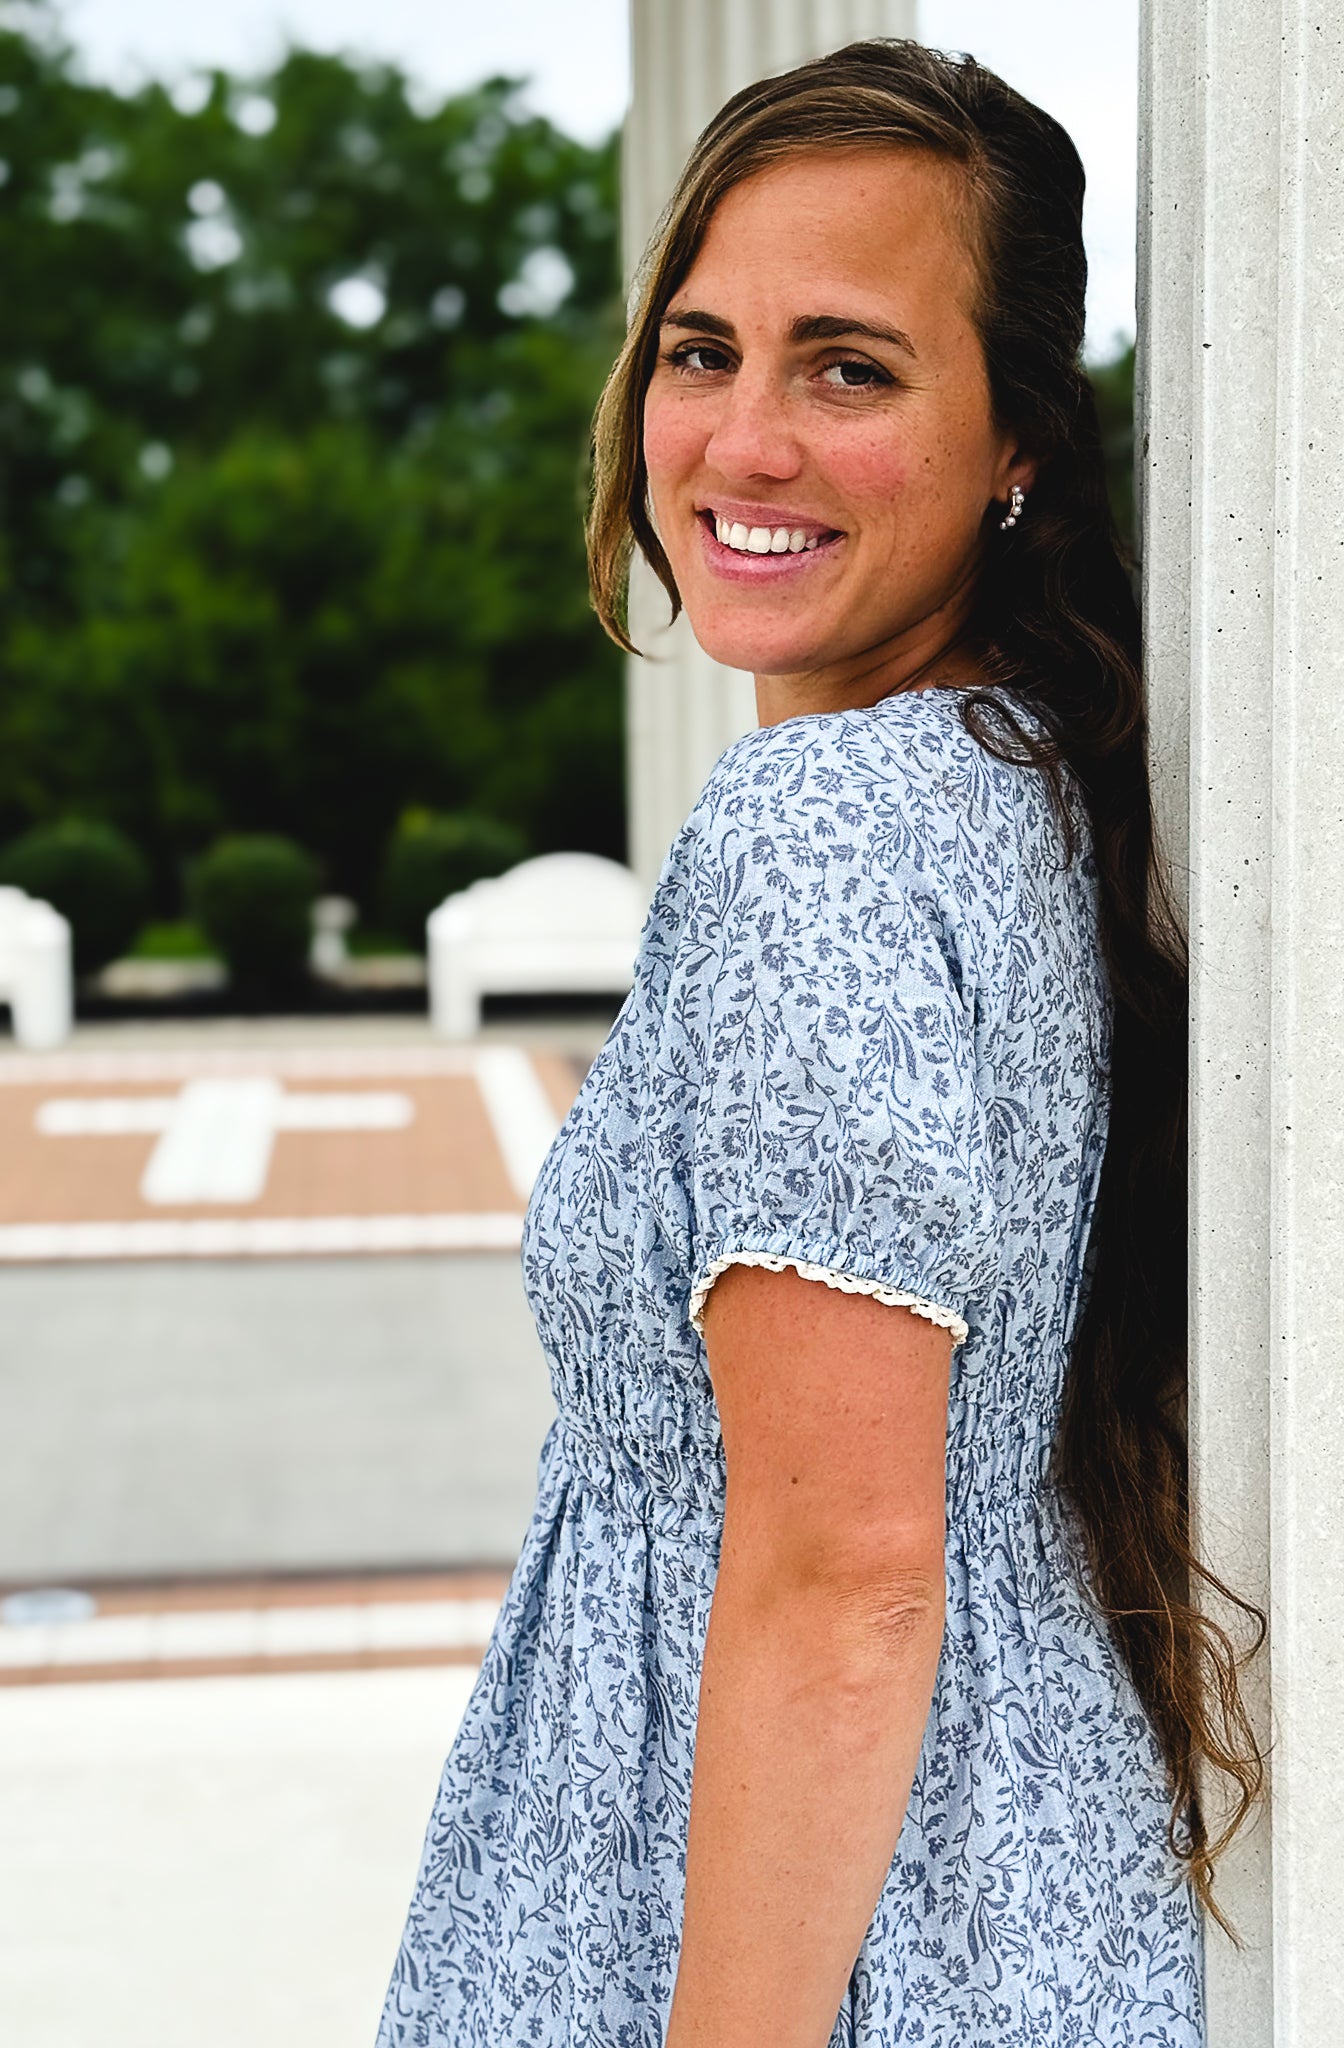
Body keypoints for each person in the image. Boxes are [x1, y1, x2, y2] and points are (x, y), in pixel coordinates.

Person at [377, 39, 1263, 2048]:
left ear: (1017, 437)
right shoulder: (1022, 774)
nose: (745, 439)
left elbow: (849, 1576)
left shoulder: (824, 831)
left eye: (850, 368)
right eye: (703, 352)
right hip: (1003, 1889)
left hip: (811, 1943)